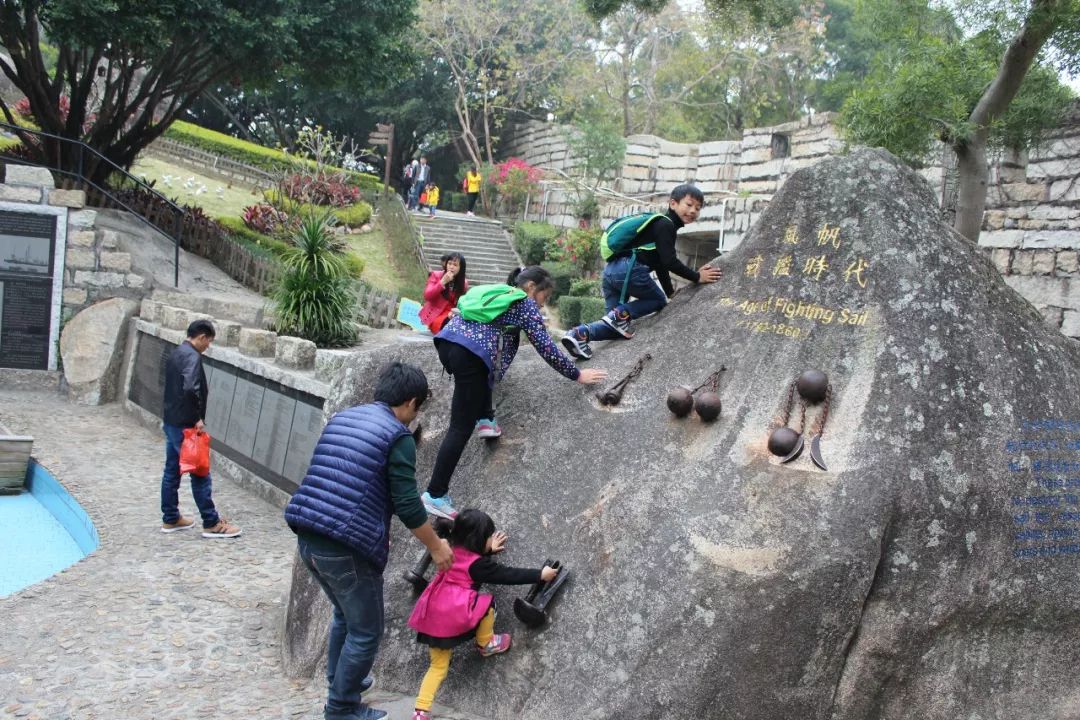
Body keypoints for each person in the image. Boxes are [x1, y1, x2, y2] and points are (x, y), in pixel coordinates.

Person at [284, 362, 454, 720]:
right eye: (418, 408)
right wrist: (436, 546)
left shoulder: (344, 418)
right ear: (410, 402)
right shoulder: (397, 437)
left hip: (308, 534)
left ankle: (342, 683)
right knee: (365, 632)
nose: (415, 416)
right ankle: (341, 708)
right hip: (346, 546)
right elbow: (407, 504)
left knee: (345, 616)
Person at [422, 266, 607, 519]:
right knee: (459, 428)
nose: (543, 304)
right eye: (544, 296)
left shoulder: (501, 293)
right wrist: (576, 374)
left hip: (448, 343)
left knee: (484, 370)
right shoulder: (524, 304)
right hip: (470, 354)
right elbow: (545, 346)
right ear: (531, 287)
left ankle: (486, 419)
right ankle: (435, 494)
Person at [407, 509, 557, 720]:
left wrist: (488, 550)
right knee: (487, 604)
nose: (490, 539)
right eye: (488, 537)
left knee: (437, 666)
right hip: (454, 615)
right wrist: (540, 574)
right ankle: (486, 643)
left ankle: (420, 711)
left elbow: (467, 561)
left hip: (433, 617)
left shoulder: (447, 548)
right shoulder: (478, 565)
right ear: (477, 540)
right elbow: (506, 574)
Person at [560, 183, 723, 361]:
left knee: (614, 328)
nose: (693, 211)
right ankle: (619, 314)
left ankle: (579, 334)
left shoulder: (660, 225)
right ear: (673, 203)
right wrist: (697, 277)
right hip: (628, 269)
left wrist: (670, 292)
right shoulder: (665, 224)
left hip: (612, 271)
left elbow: (660, 263)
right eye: (689, 204)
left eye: (698, 208)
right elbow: (669, 262)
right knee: (657, 300)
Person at [160, 319, 241, 538]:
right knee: (200, 472)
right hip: (186, 426)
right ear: (202, 337)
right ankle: (211, 522)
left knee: (171, 471)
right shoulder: (192, 357)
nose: (208, 346)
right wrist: (196, 417)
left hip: (171, 420)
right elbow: (189, 388)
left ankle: (170, 518)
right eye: (209, 342)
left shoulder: (177, 352)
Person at [419, 252, 468, 334]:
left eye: (455, 265)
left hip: (451, 313)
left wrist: (453, 312)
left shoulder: (463, 283)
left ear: (461, 268)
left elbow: (461, 303)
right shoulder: (436, 275)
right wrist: (442, 282)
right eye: (449, 263)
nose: (451, 267)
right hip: (436, 314)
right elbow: (427, 296)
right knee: (449, 325)